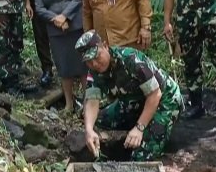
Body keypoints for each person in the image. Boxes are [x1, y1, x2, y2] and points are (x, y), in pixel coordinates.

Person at [76, 30, 183, 161]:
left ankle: (153, 126)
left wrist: (139, 128)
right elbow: (92, 100)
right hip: (135, 101)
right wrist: (88, 130)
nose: (95, 64)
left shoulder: (130, 60)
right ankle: (140, 121)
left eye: (97, 57)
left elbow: (155, 94)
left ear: (105, 46)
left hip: (164, 99)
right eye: (89, 61)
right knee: (97, 119)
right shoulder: (94, 71)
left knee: (141, 157)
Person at [34, 0, 84, 113]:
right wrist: (56, 19)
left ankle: (88, 102)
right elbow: (39, 9)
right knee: (64, 68)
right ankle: (69, 104)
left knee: (84, 64)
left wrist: (65, 16)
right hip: (56, 31)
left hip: (76, 27)